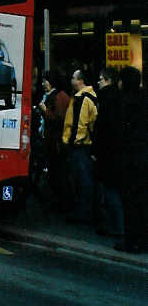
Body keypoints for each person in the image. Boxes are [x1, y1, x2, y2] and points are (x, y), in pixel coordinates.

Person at [116, 66, 148, 253]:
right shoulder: (143, 99)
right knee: (142, 202)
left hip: (129, 160)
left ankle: (131, 240)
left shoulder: (123, 103)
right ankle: (142, 239)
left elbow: (119, 134)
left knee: (129, 203)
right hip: (143, 158)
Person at [62, 69, 98, 224]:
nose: (71, 80)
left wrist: (72, 142)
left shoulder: (83, 99)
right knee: (83, 181)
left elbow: (80, 125)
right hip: (83, 146)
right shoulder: (86, 97)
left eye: (73, 78)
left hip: (80, 147)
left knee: (82, 181)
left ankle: (83, 214)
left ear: (81, 81)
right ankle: (84, 212)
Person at [93, 68, 123, 237]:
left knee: (107, 190)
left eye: (101, 79)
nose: (98, 82)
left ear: (108, 80)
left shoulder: (104, 99)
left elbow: (101, 128)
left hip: (105, 153)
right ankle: (117, 226)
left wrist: (95, 150)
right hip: (116, 152)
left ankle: (113, 227)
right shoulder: (120, 99)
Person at [38, 71, 71, 209]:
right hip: (52, 140)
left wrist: (44, 110)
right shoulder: (57, 95)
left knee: (56, 173)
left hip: (55, 141)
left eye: (45, 81)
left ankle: (59, 203)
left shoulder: (58, 97)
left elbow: (58, 120)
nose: (43, 83)